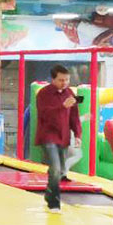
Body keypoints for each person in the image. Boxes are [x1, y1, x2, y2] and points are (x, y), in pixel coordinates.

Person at [34, 64, 81, 214]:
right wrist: (62, 106)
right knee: (55, 168)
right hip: (48, 135)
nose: (64, 83)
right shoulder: (43, 94)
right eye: (61, 80)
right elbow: (44, 114)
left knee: (60, 171)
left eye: (67, 80)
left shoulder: (70, 93)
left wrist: (77, 134)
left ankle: (49, 193)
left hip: (63, 136)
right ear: (53, 79)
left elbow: (74, 116)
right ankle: (54, 203)